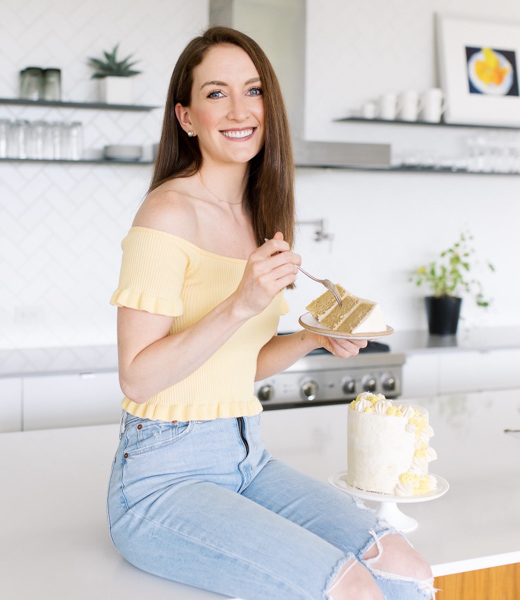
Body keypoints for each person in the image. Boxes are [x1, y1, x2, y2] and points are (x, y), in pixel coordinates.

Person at [107, 26, 435, 600]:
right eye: (216, 93)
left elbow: (236, 366)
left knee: (407, 569)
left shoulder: (259, 216)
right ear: (186, 117)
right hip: (162, 479)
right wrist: (241, 303)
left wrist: (312, 336)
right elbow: (137, 373)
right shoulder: (166, 213)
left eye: (253, 90)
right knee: (352, 588)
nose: (239, 110)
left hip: (246, 459)